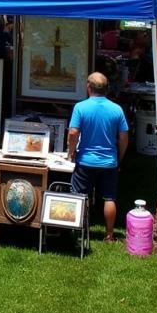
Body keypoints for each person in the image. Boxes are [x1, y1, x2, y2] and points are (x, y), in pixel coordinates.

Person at [67, 72, 129, 242]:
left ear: (88, 87)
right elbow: (124, 138)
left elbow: (73, 133)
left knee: (81, 196)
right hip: (109, 162)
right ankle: (109, 235)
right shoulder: (117, 109)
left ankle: (80, 230)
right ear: (106, 89)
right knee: (109, 198)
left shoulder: (80, 107)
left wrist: (71, 151)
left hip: (86, 160)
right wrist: (119, 157)